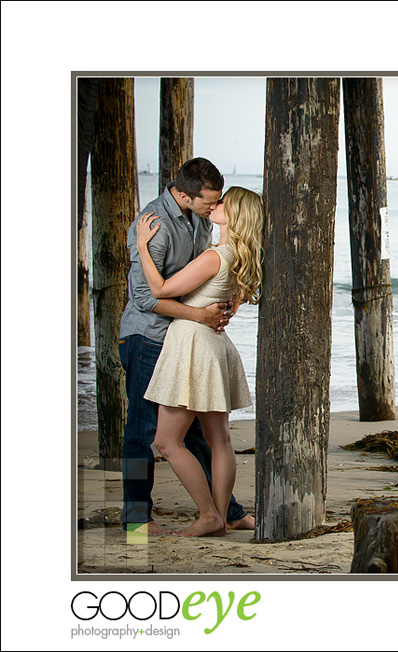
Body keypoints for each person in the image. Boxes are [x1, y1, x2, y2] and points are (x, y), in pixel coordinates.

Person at [118, 158, 254, 536]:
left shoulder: (199, 219)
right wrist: (201, 316)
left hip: (185, 344)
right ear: (182, 194)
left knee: (194, 433)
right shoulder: (154, 225)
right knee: (142, 432)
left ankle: (224, 512)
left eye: (217, 203)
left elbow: (213, 275)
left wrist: (217, 308)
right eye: (208, 203)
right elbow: (146, 296)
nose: (214, 208)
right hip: (147, 337)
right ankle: (135, 517)